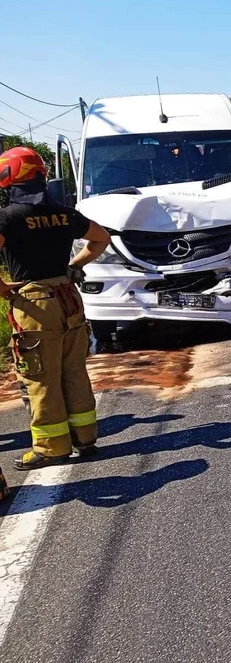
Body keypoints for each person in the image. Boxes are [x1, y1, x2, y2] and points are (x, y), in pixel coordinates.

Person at [0, 147, 112, 471]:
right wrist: (74, 266)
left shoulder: (8, 217)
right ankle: (85, 438)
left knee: (40, 377)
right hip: (68, 298)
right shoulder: (65, 213)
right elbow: (101, 238)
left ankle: (51, 447)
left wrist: (5, 289)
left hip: (35, 305)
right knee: (74, 369)